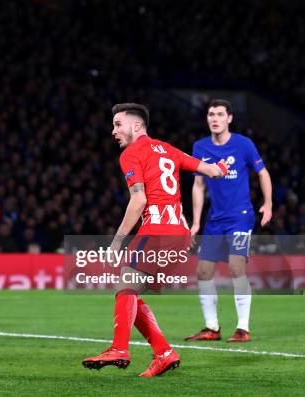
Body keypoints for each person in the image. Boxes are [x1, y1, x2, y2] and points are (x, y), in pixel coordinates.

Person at [82, 103, 228, 377]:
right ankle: (164, 353)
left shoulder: (131, 153)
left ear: (136, 125)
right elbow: (213, 171)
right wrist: (222, 164)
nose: (113, 131)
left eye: (117, 124)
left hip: (158, 228)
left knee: (125, 286)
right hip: (180, 233)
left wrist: (117, 242)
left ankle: (119, 348)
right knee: (131, 291)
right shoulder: (168, 149)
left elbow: (139, 200)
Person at [185, 99, 273, 343]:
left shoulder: (243, 144)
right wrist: (196, 222)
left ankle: (243, 328)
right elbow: (199, 185)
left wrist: (268, 203)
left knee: (236, 266)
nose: (214, 118)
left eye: (220, 114)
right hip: (215, 220)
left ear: (229, 118)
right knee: (203, 271)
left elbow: (263, 173)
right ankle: (211, 327)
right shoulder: (200, 147)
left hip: (240, 217)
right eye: (211, 114)